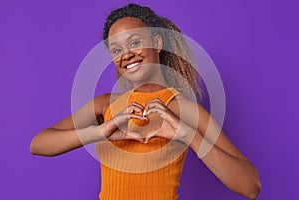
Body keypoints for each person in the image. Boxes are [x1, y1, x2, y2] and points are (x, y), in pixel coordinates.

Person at [30, 3, 261, 200]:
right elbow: (38, 144)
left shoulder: (183, 109)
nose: (126, 55)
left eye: (134, 43)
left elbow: (250, 187)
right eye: (116, 49)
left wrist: (187, 134)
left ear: (158, 43)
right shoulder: (104, 105)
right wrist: (100, 131)